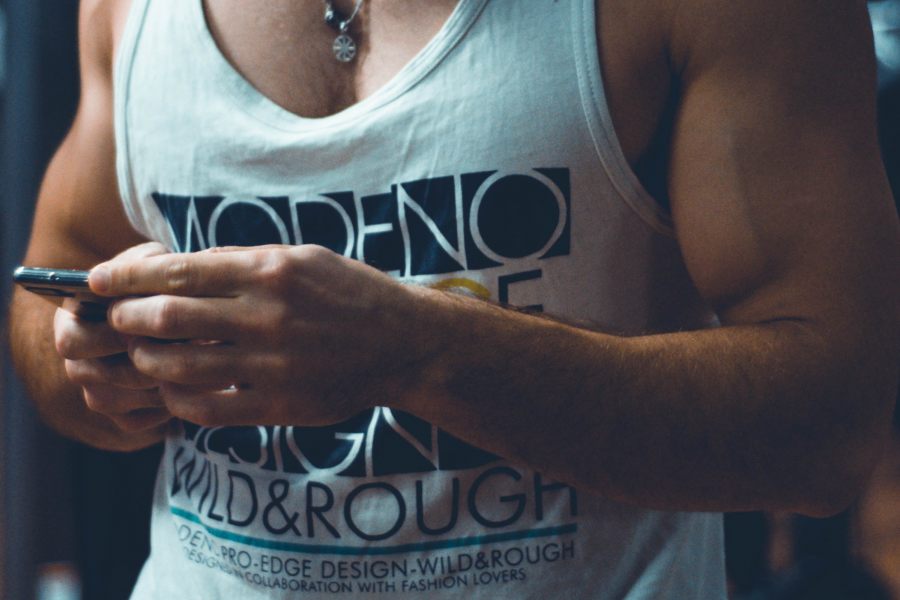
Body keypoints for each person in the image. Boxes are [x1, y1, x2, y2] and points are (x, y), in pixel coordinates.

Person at [8, 0, 900, 597]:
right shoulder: (128, 9)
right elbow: (47, 300)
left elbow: (829, 427)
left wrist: (420, 353)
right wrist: (99, 361)